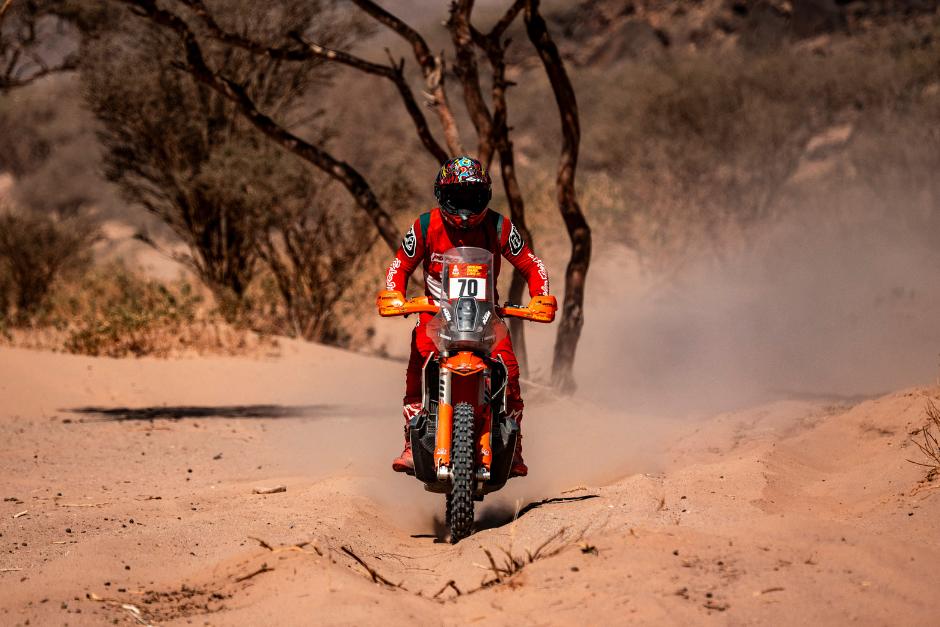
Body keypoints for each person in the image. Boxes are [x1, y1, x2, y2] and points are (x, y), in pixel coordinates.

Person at [384, 156, 551, 477]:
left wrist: (540, 296)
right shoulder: (423, 225)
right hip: (435, 314)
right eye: (456, 198)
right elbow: (400, 265)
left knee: (511, 372)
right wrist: (394, 293)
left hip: (487, 315)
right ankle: (411, 441)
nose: (464, 208)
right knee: (417, 364)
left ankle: (514, 447)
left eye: (472, 198)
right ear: (441, 196)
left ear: (485, 197)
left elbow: (531, 263)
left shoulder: (500, 226)